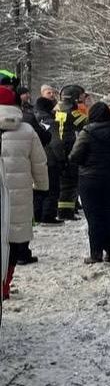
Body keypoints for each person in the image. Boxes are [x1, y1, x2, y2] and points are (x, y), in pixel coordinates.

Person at [0, 86, 48, 298]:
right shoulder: (27, 131)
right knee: (12, 243)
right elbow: (39, 163)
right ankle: (5, 285)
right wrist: (42, 187)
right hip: (18, 197)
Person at [69, 102, 110, 264]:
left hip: (89, 181)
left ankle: (96, 253)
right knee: (109, 214)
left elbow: (74, 156)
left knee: (94, 217)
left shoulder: (86, 133)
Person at [51, 86, 88, 220]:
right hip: (67, 149)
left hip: (54, 150)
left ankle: (59, 209)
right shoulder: (74, 114)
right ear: (74, 98)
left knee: (59, 181)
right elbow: (89, 122)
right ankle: (65, 212)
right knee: (69, 181)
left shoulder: (54, 111)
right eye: (81, 96)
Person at [33, 97, 62, 224]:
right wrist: (62, 159)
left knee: (38, 187)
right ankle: (48, 215)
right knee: (52, 188)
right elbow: (56, 143)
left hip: (35, 158)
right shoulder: (50, 122)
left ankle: (37, 214)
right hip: (50, 159)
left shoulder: (32, 119)